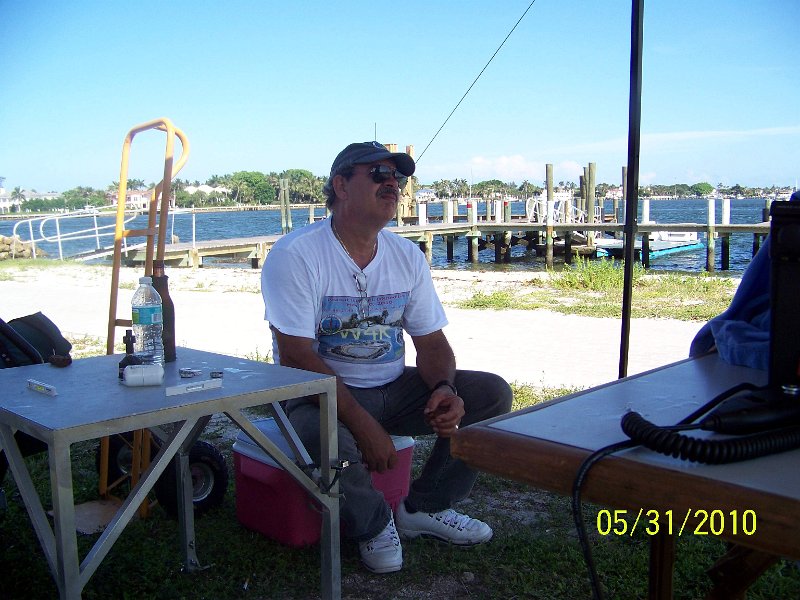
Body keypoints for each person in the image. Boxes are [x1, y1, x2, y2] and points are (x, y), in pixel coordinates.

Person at [261, 141, 513, 574]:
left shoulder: (406, 255)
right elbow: (297, 356)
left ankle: (425, 508)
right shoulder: (295, 255)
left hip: (392, 389)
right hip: (313, 394)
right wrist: (364, 426)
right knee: (323, 435)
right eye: (378, 174)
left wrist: (444, 388)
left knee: (490, 394)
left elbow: (431, 342)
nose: (392, 184)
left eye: (396, 177)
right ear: (341, 186)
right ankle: (374, 524)